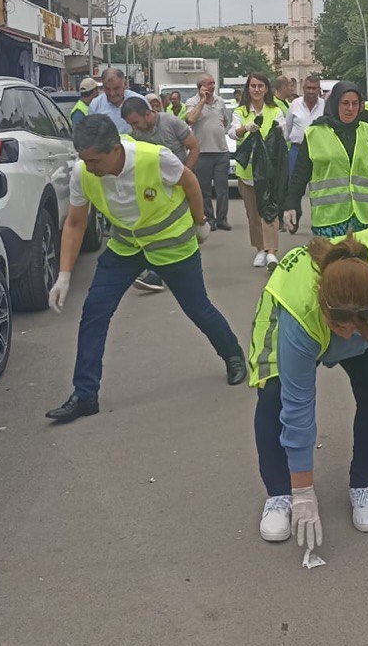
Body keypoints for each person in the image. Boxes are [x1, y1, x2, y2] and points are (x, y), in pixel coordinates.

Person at [44, 117, 246, 423]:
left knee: (198, 308)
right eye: (85, 160)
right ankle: (85, 395)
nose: (90, 167)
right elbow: (75, 223)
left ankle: (232, 355)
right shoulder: (83, 171)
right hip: (126, 248)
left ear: (115, 150)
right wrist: (64, 276)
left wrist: (200, 221)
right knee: (94, 313)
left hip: (172, 245)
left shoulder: (154, 158)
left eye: (95, 161)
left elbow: (189, 181)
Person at [248, 230, 368, 547]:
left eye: (357, 324)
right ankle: (280, 495)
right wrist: (303, 491)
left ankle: (363, 485)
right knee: (274, 399)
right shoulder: (301, 312)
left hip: (364, 322)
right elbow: (297, 409)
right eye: (339, 326)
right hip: (295, 320)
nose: (346, 336)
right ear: (323, 305)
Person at [284, 81, 368, 238]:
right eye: (345, 103)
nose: (350, 108)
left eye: (355, 104)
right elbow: (299, 176)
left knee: (363, 263)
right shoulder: (314, 134)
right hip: (329, 221)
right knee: (332, 263)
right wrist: (291, 204)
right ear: (335, 104)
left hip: (363, 220)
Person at [123, 94, 202, 293]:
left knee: (181, 231)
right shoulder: (136, 135)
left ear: (149, 113)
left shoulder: (171, 123)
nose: (134, 128)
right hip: (154, 190)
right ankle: (156, 273)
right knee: (155, 229)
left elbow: (193, 148)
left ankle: (173, 272)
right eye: (130, 124)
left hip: (179, 185)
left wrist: (186, 174)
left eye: (135, 122)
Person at [233, 72, 286, 270]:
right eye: (253, 86)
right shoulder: (240, 112)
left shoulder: (275, 110)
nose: (256, 90)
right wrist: (246, 128)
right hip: (247, 173)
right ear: (248, 89)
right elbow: (234, 133)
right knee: (253, 214)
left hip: (269, 171)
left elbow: (283, 131)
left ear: (266, 89)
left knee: (270, 210)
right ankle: (260, 249)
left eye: (260, 86)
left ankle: (271, 252)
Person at [185, 73, 232, 231]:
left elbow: (226, 121)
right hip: (202, 153)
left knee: (222, 188)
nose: (212, 86)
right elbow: (191, 119)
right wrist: (203, 101)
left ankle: (222, 219)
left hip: (221, 151)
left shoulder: (220, 101)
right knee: (204, 189)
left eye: (213, 83)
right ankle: (209, 219)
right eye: (208, 84)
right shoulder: (192, 102)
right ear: (200, 87)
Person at [283, 74, 325, 177]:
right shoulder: (295, 104)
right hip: (297, 150)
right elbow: (288, 127)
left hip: (319, 151)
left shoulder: (325, 105)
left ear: (319, 89)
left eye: (314, 88)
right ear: (303, 88)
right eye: (308, 88)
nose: (311, 91)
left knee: (318, 182)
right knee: (293, 184)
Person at [87, 68, 132, 135]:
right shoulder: (95, 105)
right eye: (107, 89)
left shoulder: (139, 101)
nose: (112, 93)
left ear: (125, 84)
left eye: (116, 88)